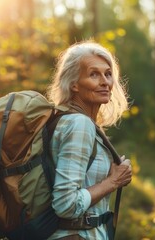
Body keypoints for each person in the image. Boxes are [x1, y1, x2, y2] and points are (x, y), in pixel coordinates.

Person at [46, 41, 133, 240]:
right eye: (94, 74)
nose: (105, 82)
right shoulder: (79, 124)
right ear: (73, 84)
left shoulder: (66, 120)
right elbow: (65, 204)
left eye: (108, 74)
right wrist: (113, 181)